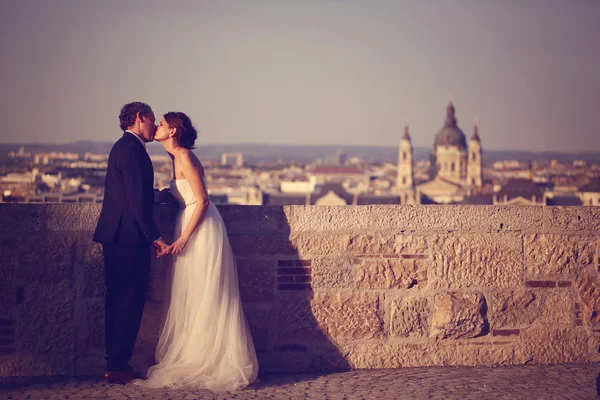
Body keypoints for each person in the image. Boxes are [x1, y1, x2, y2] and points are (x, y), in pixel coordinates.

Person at [136, 112, 258, 391]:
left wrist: (183, 238)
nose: (157, 127)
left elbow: (202, 201)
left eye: (163, 125)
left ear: (173, 131)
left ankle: (209, 359)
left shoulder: (184, 157)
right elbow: (187, 193)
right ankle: (196, 352)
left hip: (199, 228)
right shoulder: (176, 157)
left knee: (204, 293)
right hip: (191, 222)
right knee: (191, 294)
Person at [93, 102, 169, 384]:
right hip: (128, 237)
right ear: (140, 118)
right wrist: (156, 237)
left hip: (116, 235)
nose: (154, 127)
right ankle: (117, 365)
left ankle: (114, 362)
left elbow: (132, 193)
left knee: (117, 301)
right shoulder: (133, 149)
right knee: (128, 301)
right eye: (152, 120)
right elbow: (136, 202)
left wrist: (157, 197)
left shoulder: (122, 147)